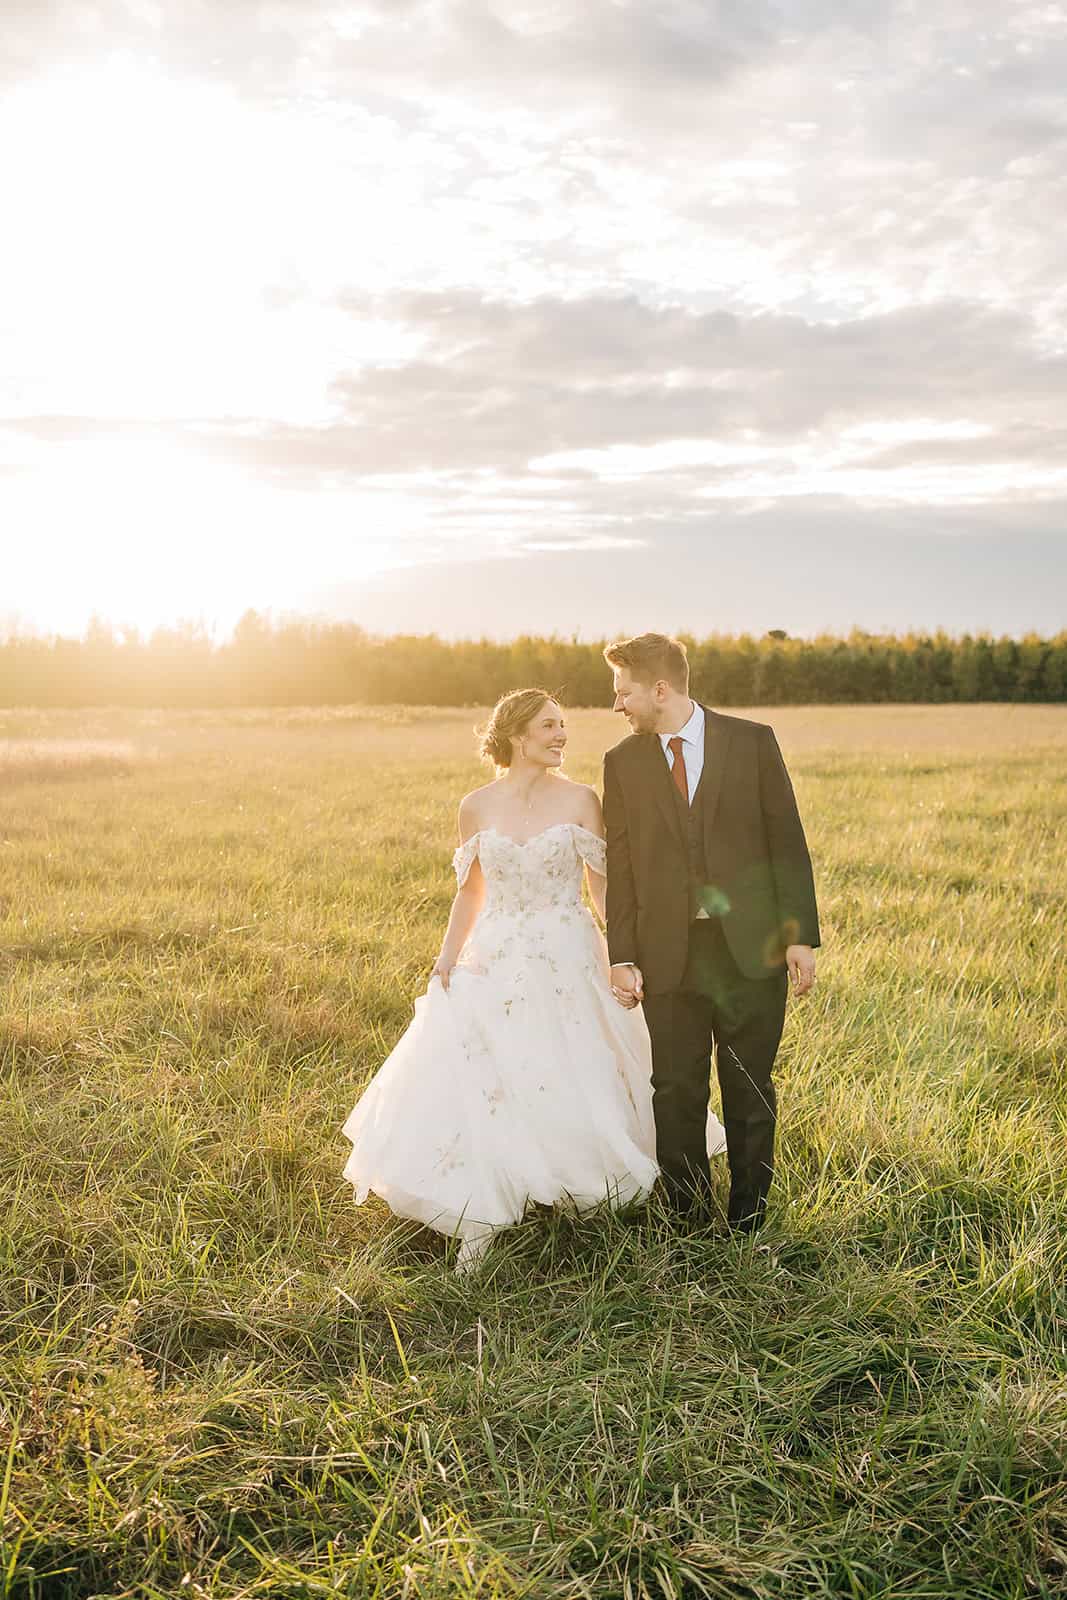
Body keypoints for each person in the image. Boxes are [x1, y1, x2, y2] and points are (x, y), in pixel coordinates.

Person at [340, 687, 727, 1273]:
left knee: (577, 1064)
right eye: (549, 726)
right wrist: (447, 958)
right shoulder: (475, 806)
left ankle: (578, 1185)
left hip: (570, 950)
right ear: (517, 735)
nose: (562, 735)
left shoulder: (581, 799)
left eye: (562, 725)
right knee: (488, 1073)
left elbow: (601, 887)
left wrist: (626, 953)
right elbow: (470, 892)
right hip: (496, 952)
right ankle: (481, 1211)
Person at [602, 633, 820, 1234]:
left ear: (660, 689)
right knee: (675, 1092)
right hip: (666, 955)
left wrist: (798, 935)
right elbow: (621, 865)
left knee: (749, 1087)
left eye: (624, 692)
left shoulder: (752, 742)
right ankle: (688, 1224)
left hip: (752, 951)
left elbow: (786, 840)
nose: (617, 704)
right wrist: (622, 953)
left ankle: (750, 1222)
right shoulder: (622, 762)